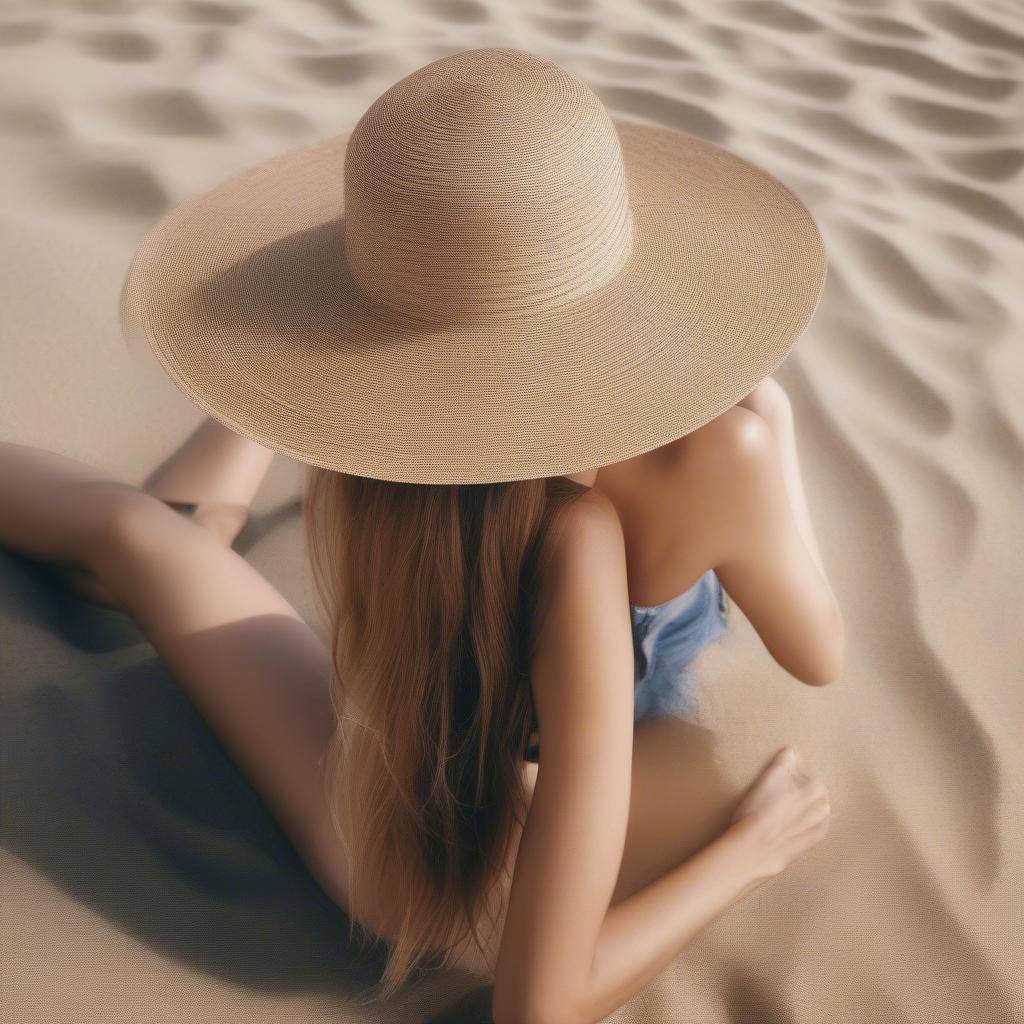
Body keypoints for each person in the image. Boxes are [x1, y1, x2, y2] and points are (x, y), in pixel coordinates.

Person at [0, 47, 843, 1023]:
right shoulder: (596, 529)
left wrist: (316, 388)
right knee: (142, 538)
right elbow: (538, 1005)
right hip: (472, 884)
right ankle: (241, 447)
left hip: (374, 818)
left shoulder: (382, 465)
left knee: (136, 537)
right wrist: (751, 850)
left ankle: (254, 425)